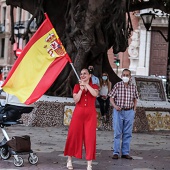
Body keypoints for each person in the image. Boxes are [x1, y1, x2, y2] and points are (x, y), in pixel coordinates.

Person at [64, 68, 99, 170]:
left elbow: (95, 94)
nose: (83, 75)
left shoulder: (94, 86)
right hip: (78, 115)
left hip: (90, 115)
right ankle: (69, 160)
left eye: (85, 74)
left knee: (90, 138)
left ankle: (89, 164)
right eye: (81, 74)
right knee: (73, 136)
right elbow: (76, 100)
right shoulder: (76, 86)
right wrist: (81, 89)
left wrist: (86, 85)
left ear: (89, 75)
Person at [108, 69, 138, 160]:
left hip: (129, 111)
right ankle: (116, 152)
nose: (125, 77)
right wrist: (115, 106)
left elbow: (135, 98)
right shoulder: (117, 86)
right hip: (118, 112)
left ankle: (125, 152)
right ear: (121, 76)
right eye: (124, 75)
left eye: (127, 75)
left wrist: (134, 109)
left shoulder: (133, 87)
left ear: (130, 77)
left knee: (127, 133)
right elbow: (111, 98)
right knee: (117, 133)